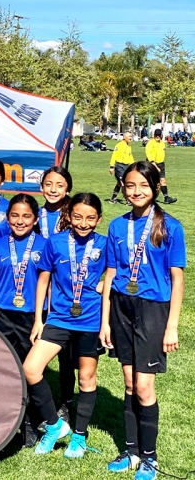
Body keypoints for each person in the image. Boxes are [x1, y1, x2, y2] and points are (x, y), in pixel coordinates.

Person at [100, 161, 185, 479]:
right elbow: (110, 274)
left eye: (143, 186)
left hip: (153, 310)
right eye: (130, 185)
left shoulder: (170, 226)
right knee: (128, 384)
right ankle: (131, 451)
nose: (136, 191)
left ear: (155, 188)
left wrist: (172, 325)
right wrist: (105, 320)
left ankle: (150, 457)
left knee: (145, 386)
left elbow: (177, 279)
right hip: (121, 307)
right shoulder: (116, 226)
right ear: (123, 187)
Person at [24, 193, 107, 457]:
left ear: (99, 219)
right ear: (69, 216)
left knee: (86, 378)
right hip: (59, 317)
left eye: (91, 218)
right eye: (78, 217)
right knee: (31, 368)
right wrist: (39, 318)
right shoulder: (56, 242)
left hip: (90, 320)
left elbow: (120, 273)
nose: (84, 223)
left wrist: (105, 284)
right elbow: (44, 280)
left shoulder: (105, 244)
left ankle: (79, 436)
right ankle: (55, 425)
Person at [0, 193, 46, 447]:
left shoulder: (43, 245)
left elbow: (47, 285)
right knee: (5, 370)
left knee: (28, 371)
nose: (20, 221)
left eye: (26, 216)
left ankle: (30, 423)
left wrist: (40, 319)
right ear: (7, 217)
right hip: (2, 314)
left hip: (31, 316)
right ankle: (5, 424)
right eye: (15, 216)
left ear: (35, 218)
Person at [37, 166, 77, 427]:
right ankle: (34, 401)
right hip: (36, 288)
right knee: (38, 344)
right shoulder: (33, 214)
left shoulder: (72, 216)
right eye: (49, 184)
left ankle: (67, 402)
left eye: (59, 185)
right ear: (41, 187)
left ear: (67, 189)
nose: (53, 190)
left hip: (65, 291)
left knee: (66, 354)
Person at [145, 129, 177, 204]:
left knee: (163, 181)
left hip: (161, 164)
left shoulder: (162, 143)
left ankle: (166, 198)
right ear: (154, 135)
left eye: (159, 135)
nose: (158, 136)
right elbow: (148, 154)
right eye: (156, 135)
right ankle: (148, 197)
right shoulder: (150, 143)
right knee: (151, 182)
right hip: (152, 164)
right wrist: (154, 165)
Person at [109, 131, 135, 204]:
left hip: (126, 166)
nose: (131, 138)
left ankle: (113, 199)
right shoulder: (119, 145)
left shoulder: (129, 146)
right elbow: (114, 155)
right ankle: (128, 200)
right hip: (119, 166)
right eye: (129, 136)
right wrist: (111, 166)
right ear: (124, 137)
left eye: (131, 136)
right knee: (123, 183)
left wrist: (134, 165)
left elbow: (130, 156)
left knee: (119, 183)